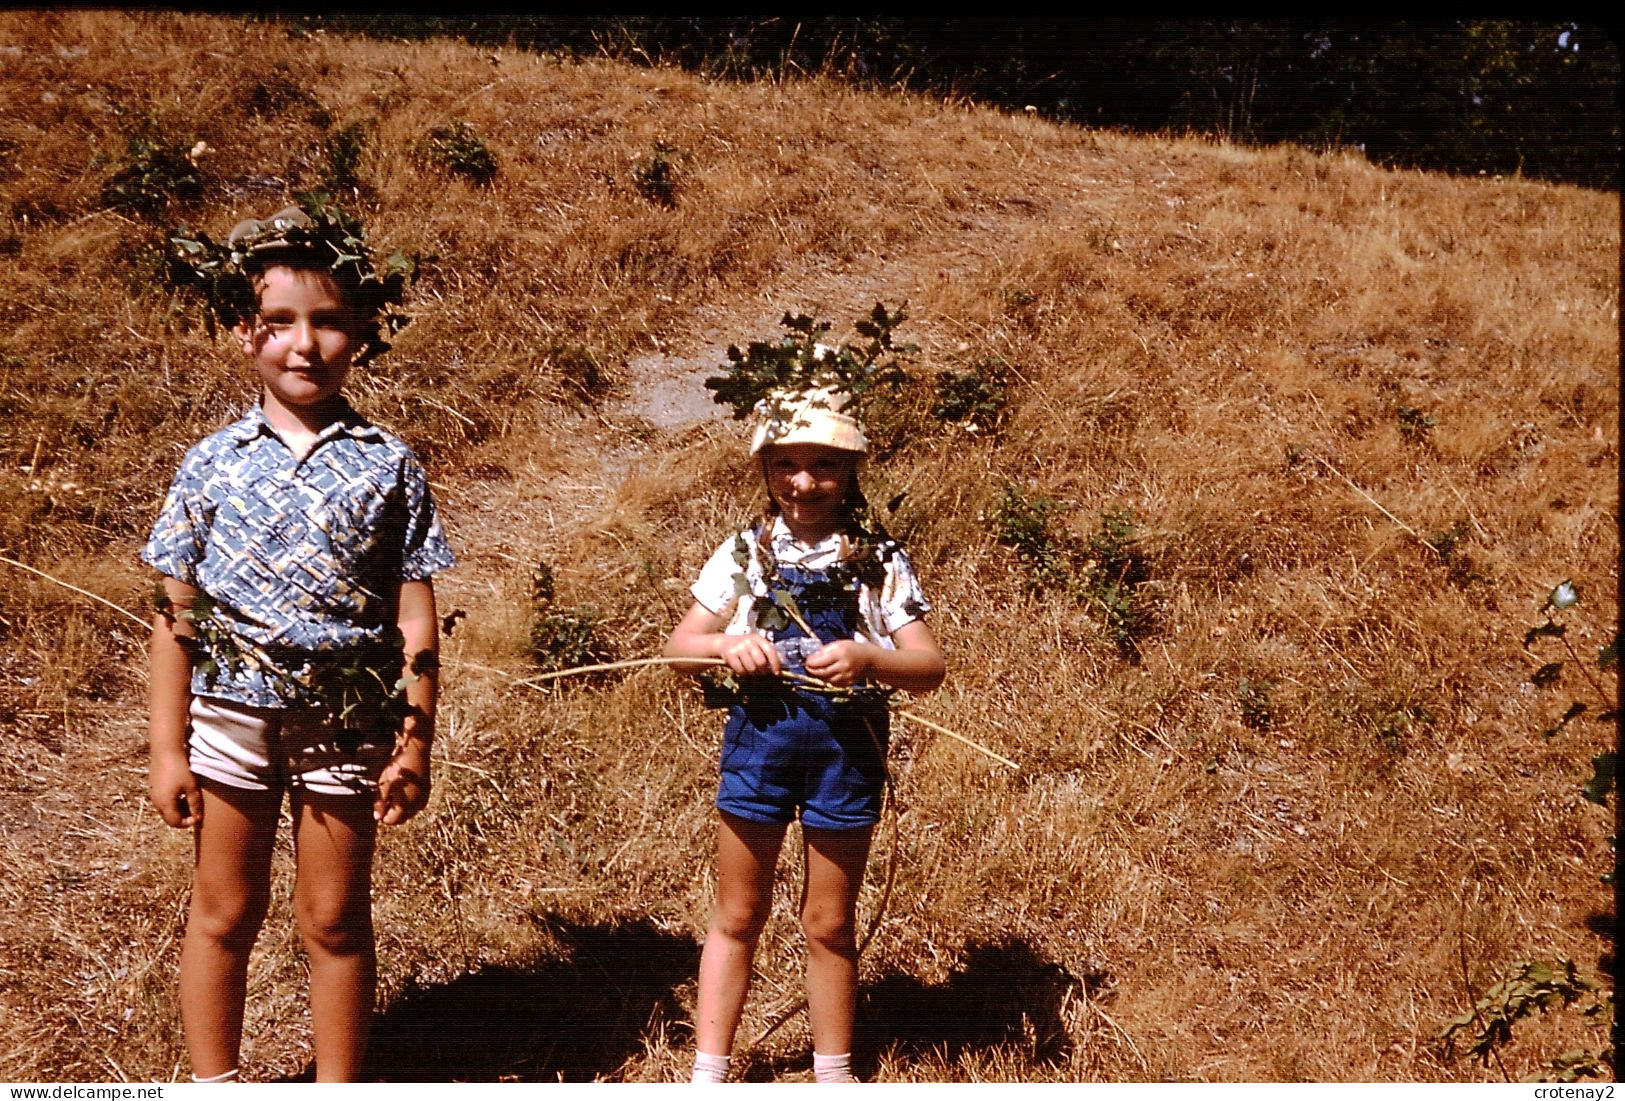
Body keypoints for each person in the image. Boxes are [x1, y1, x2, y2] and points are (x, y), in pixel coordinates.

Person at [142, 204, 453, 1082]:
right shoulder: (211, 461)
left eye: (327, 322)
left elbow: (414, 616)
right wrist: (168, 747)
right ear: (245, 331)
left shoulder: (388, 463)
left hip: (346, 722)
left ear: (361, 335)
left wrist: (414, 738)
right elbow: (175, 614)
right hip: (229, 719)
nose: (303, 344)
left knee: (336, 920)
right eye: (279, 322)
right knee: (223, 910)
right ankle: (215, 1079)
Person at [663, 385, 946, 1083]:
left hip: (845, 752)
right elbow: (679, 645)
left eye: (822, 463)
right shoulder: (743, 554)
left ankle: (833, 1072)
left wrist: (869, 657)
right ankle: (708, 1070)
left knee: (828, 921)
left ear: (850, 468)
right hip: (760, 741)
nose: (802, 481)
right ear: (763, 468)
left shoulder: (876, 558)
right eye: (785, 463)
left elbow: (929, 664)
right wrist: (730, 647)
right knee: (738, 911)